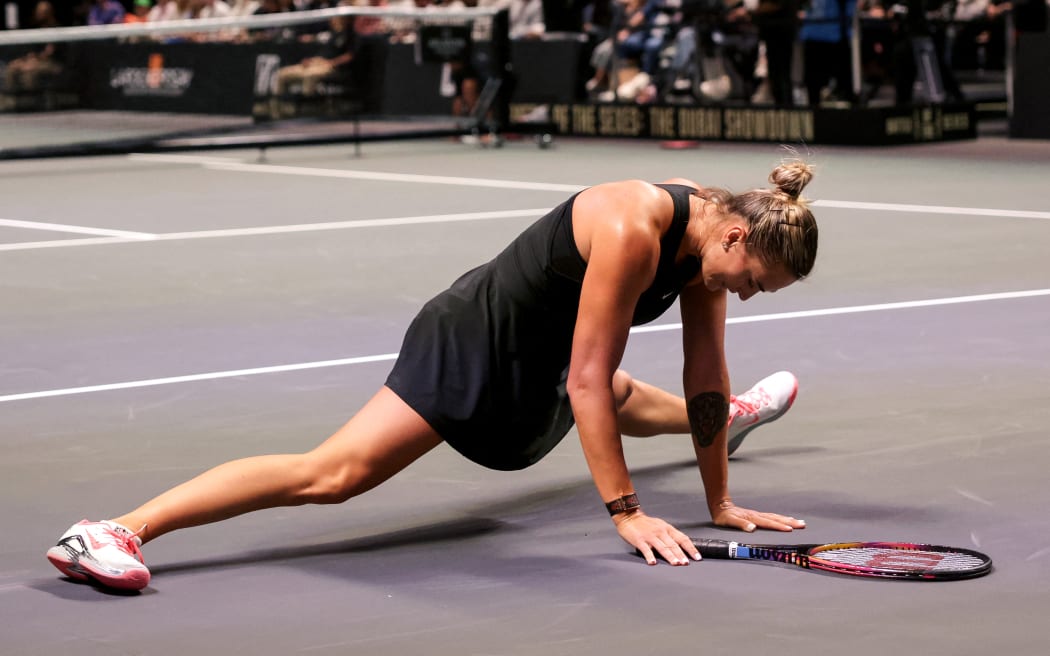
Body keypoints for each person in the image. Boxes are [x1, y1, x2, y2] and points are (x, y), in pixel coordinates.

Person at [46, 160, 818, 591]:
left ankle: (738, 423)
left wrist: (719, 499)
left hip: (545, 356)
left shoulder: (709, 255)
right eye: (751, 279)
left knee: (626, 397)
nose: (745, 293)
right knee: (335, 474)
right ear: (736, 233)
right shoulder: (632, 225)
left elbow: (702, 370)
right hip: (472, 340)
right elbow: (588, 378)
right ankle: (111, 531)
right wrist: (627, 513)